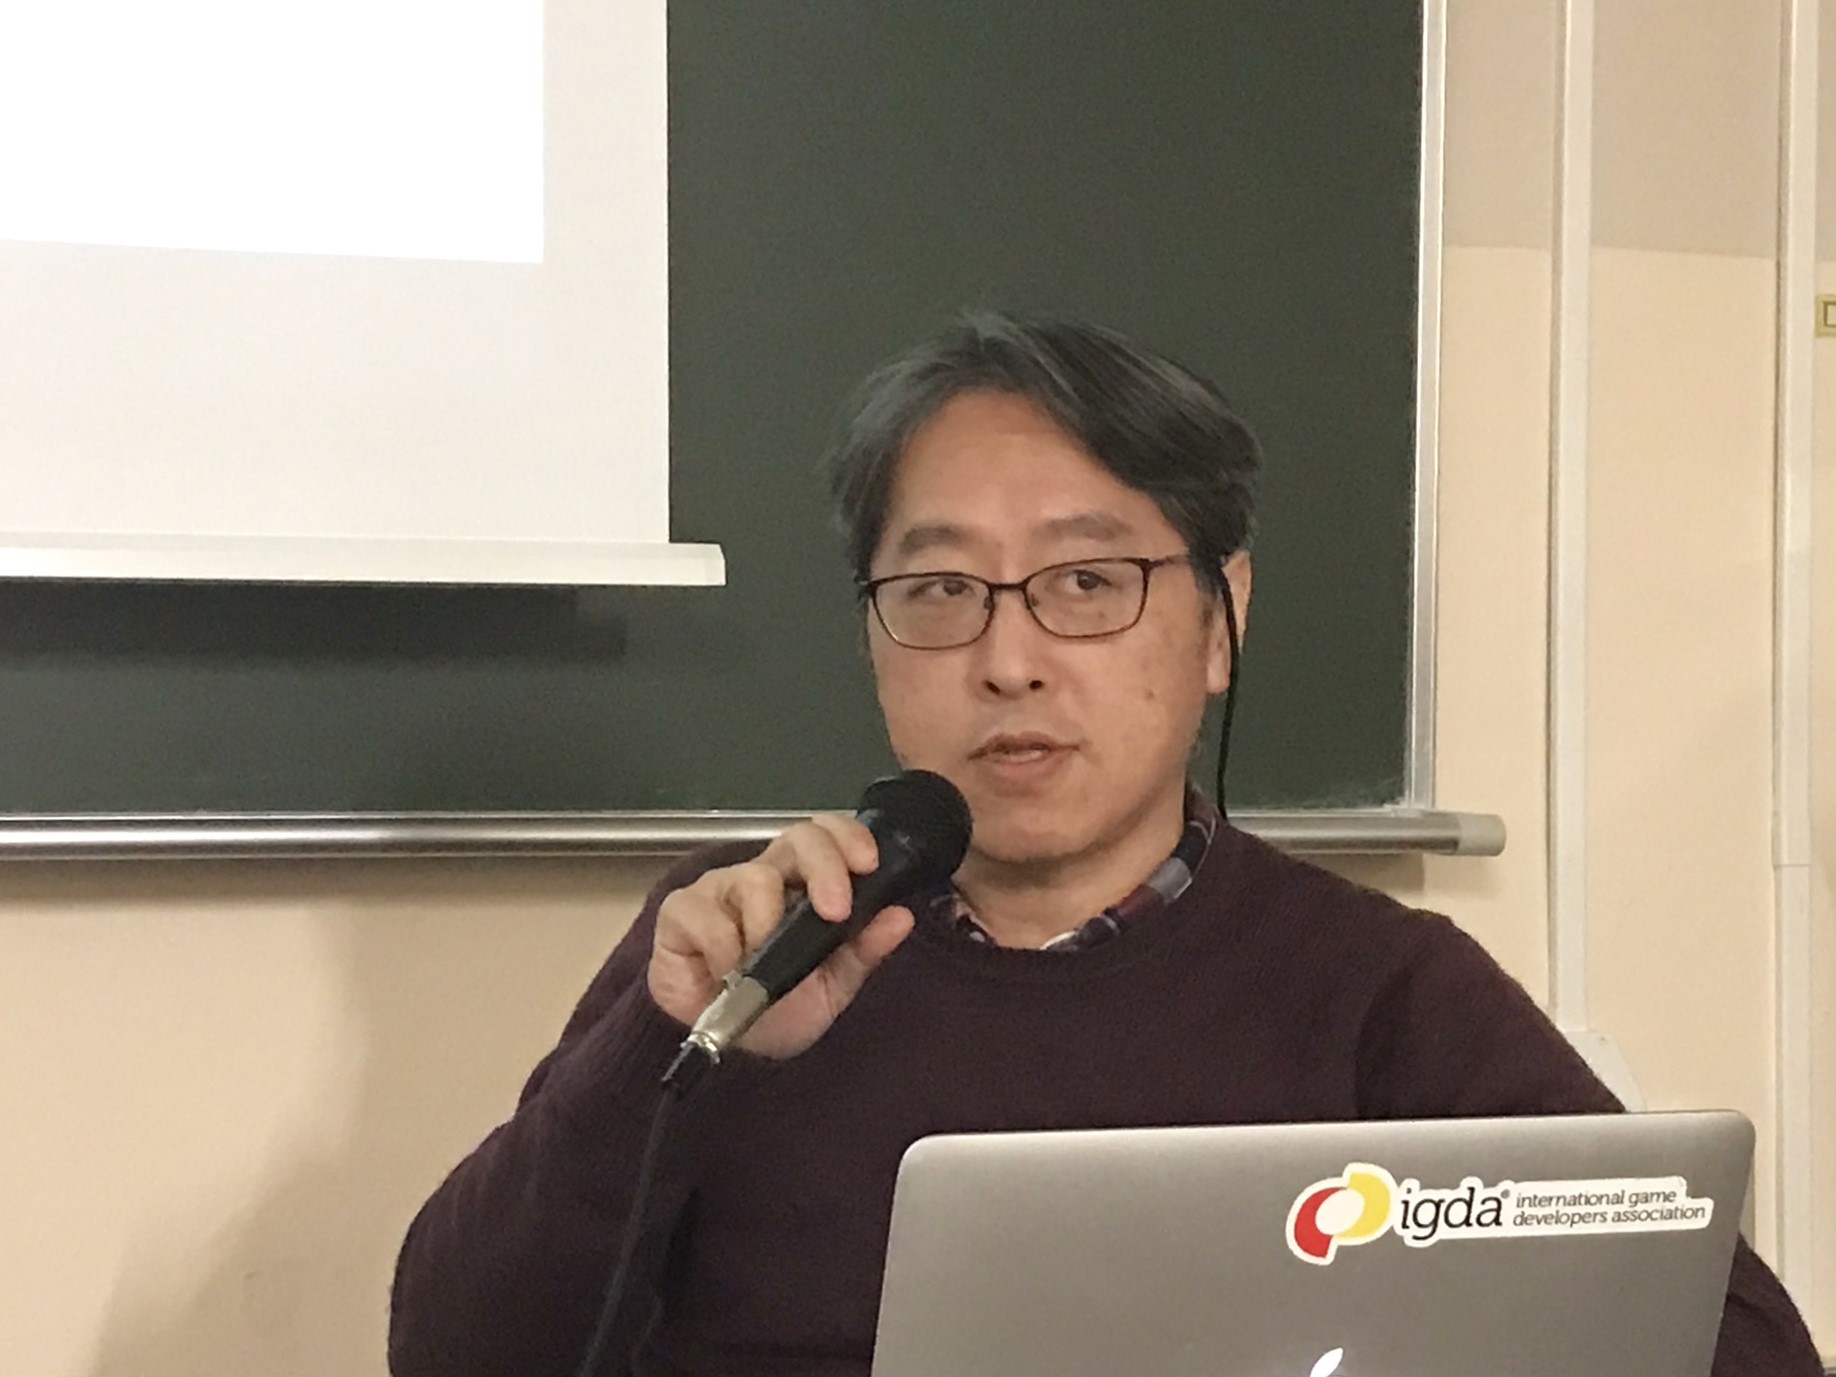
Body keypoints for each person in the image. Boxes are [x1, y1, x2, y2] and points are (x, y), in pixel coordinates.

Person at [388, 314, 1821, 1376]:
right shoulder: (755, 944)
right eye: (940, 589)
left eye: (1086, 582)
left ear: (1220, 619)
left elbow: (1733, 1346)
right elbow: (456, 1354)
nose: (1008, 658)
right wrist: (666, 1046)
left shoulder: (1379, 991)